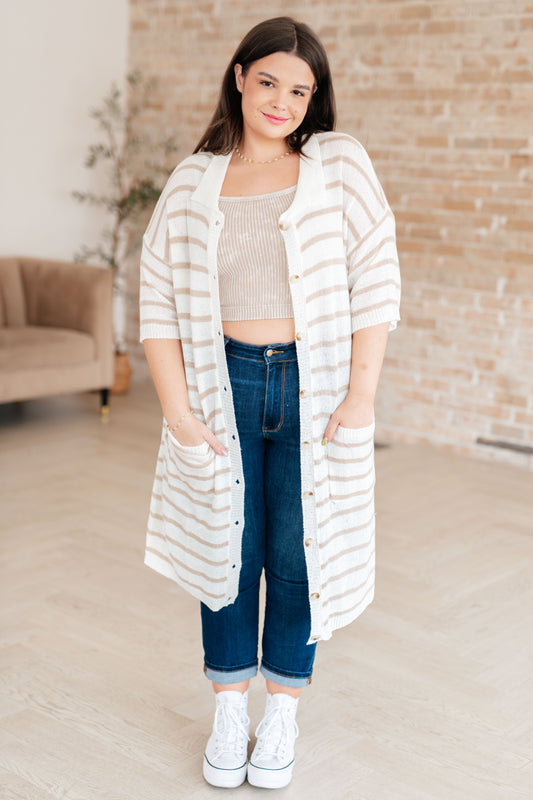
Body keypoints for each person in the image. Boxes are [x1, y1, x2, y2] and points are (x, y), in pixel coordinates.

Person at [140, 16, 400, 790]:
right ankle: (228, 706)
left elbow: (375, 276)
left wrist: (360, 394)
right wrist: (180, 415)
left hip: (315, 387)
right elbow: (155, 300)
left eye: (300, 88)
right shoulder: (193, 180)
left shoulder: (338, 165)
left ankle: (280, 710)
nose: (282, 101)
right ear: (238, 77)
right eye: (268, 81)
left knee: (297, 555)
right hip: (225, 383)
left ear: (313, 98)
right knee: (227, 551)